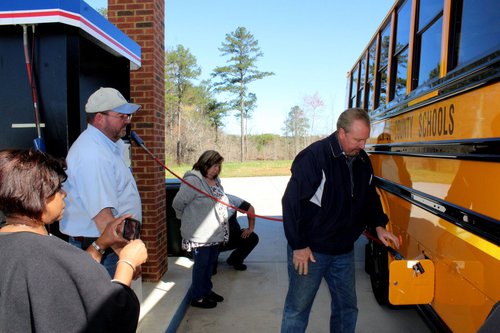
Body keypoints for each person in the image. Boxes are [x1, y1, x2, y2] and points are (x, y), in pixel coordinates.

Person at [0, 149, 147, 333]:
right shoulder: (57, 256)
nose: (64, 194)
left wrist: (100, 243)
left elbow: (69, 276)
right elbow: (114, 315)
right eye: (56, 189)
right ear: (36, 197)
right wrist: (127, 262)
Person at [280, 108, 400, 333]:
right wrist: (298, 245)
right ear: (341, 133)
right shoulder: (315, 157)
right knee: (298, 309)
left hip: (343, 251)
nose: (363, 145)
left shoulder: (362, 160)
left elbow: (369, 196)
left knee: (347, 308)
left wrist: (379, 225)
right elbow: (291, 202)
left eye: (365, 139)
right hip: (311, 251)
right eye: (357, 139)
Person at [60, 87, 142, 277]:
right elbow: (103, 218)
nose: (127, 121)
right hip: (102, 247)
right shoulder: (93, 154)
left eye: (128, 116)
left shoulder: (107, 147)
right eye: (121, 116)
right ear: (99, 118)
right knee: (109, 304)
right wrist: (127, 258)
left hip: (111, 243)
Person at [172, 150, 228, 309]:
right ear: (205, 164)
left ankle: (206, 290)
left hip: (215, 233)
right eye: (214, 166)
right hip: (200, 235)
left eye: (219, 166)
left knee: (210, 265)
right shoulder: (194, 181)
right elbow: (177, 203)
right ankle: (197, 297)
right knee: (201, 266)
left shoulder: (216, 180)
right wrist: (186, 219)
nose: (217, 169)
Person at [216, 194, 259, 272]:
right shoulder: (199, 200)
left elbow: (250, 209)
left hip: (229, 237)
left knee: (252, 238)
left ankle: (235, 260)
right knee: (210, 270)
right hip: (210, 242)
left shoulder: (229, 198)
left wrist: (250, 228)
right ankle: (210, 260)